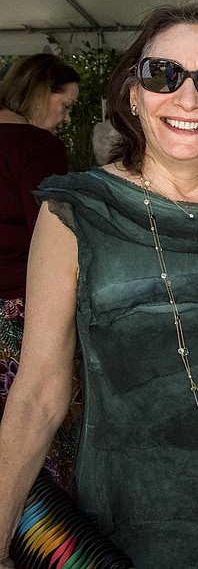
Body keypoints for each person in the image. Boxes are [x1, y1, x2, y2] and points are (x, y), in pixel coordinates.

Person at [0, 1, 198, 568]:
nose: (188, 99)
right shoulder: (75, 210)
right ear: (133, 96)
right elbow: (38, 394)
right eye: (164, 75)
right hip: (121, 529)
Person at [0, 54, 81, 490]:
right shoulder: (38, 146)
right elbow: (48, 239)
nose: (66, 118)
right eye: (65, 105)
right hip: (17, 314)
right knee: (35, 450)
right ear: (38, 91)